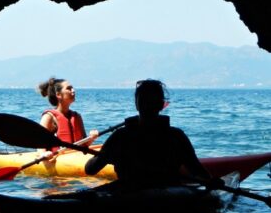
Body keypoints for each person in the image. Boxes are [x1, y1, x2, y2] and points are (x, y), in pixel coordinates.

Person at [85, 79, 213, 187]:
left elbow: (90, 169)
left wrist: (104, 156)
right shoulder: (177, 136)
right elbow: (197, 171)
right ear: (162, 105)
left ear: (137, 104)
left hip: (129, 196)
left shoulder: (121, 136)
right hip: (168, 199)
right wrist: (212, 181)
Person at [38, 77, 98, 145]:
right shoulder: (49, 117)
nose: (73, 90)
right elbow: (40, 144)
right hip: (58, 155)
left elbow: (84, 145)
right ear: (58, 95)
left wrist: (91, 138)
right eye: (69, 88)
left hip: (76, 154)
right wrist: (44, 153)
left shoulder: (77, 117)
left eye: (72, 88)